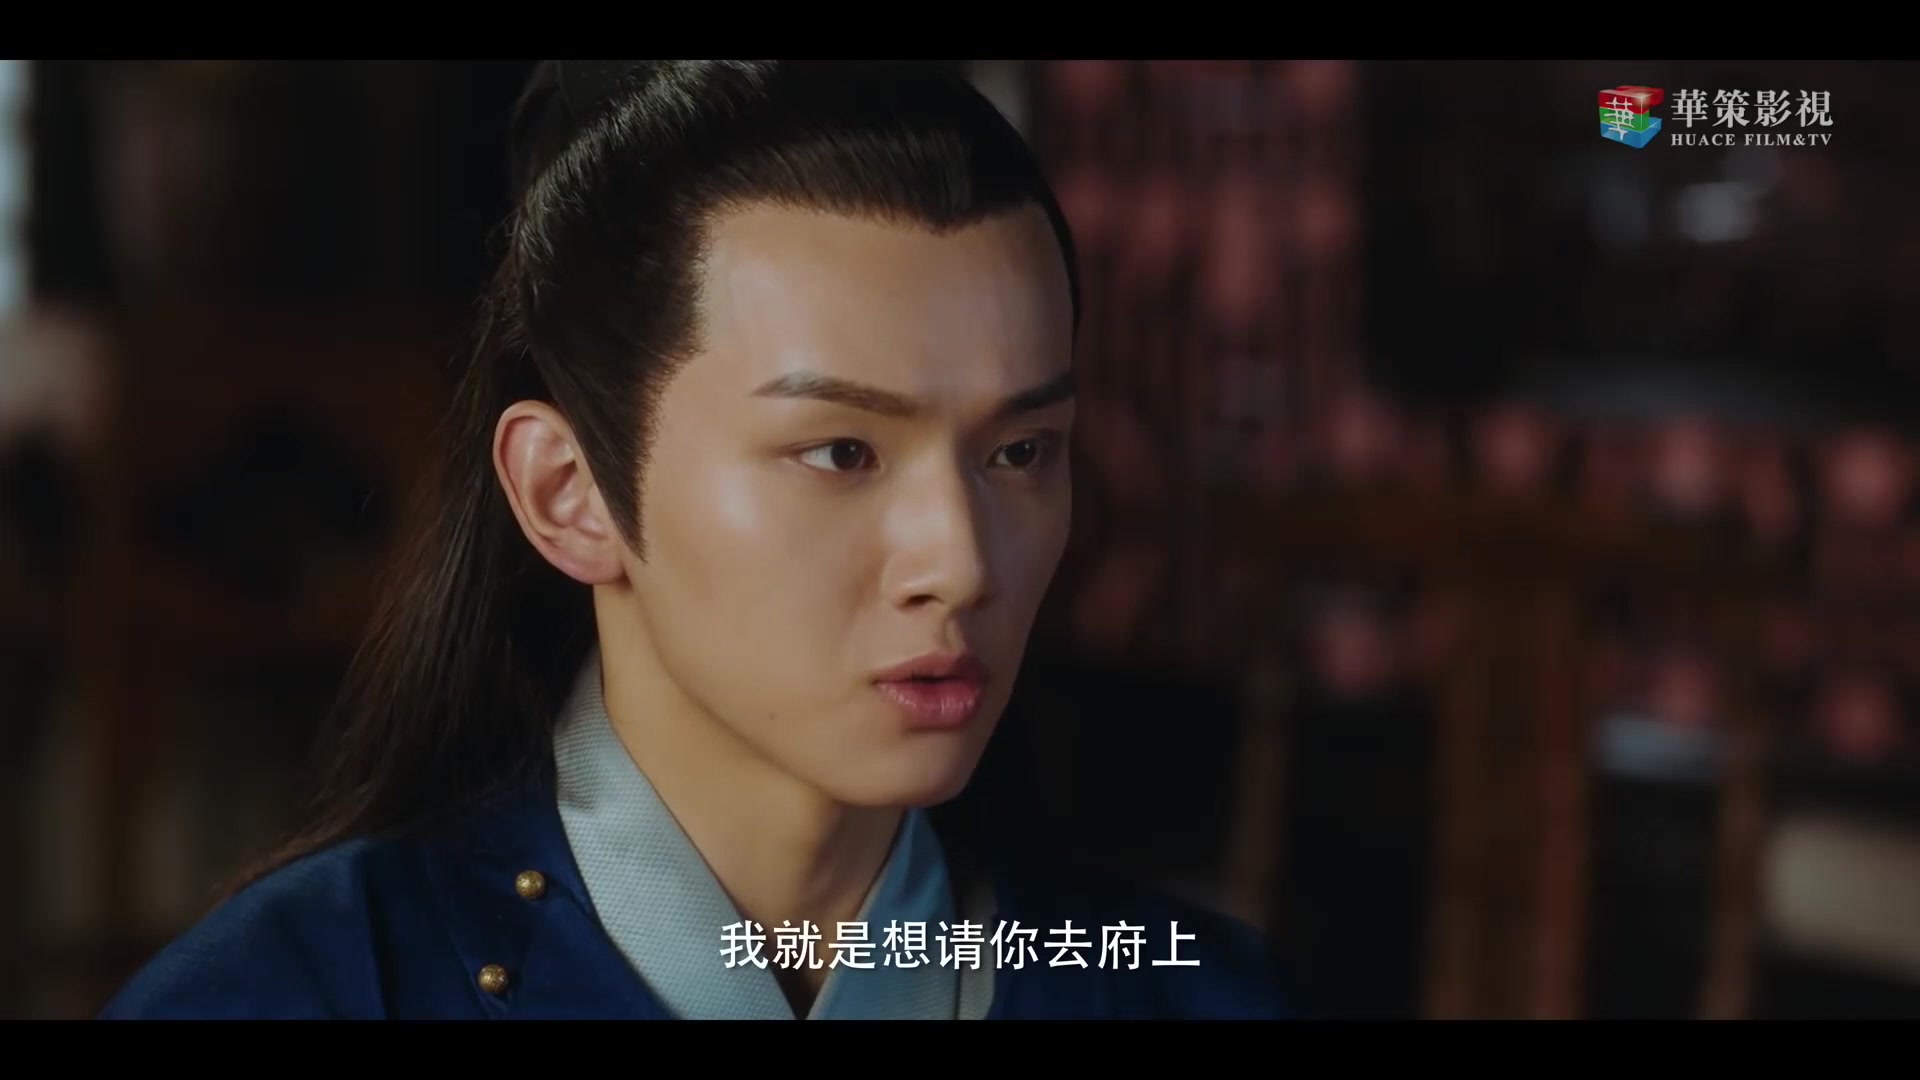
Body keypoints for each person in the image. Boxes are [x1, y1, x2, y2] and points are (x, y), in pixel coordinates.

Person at [98, 60, 1298, 1020]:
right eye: (842, 452)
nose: (963, 563)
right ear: (568, 491)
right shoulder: (292, 992)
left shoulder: (1197, 994)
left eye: (1021, 452)